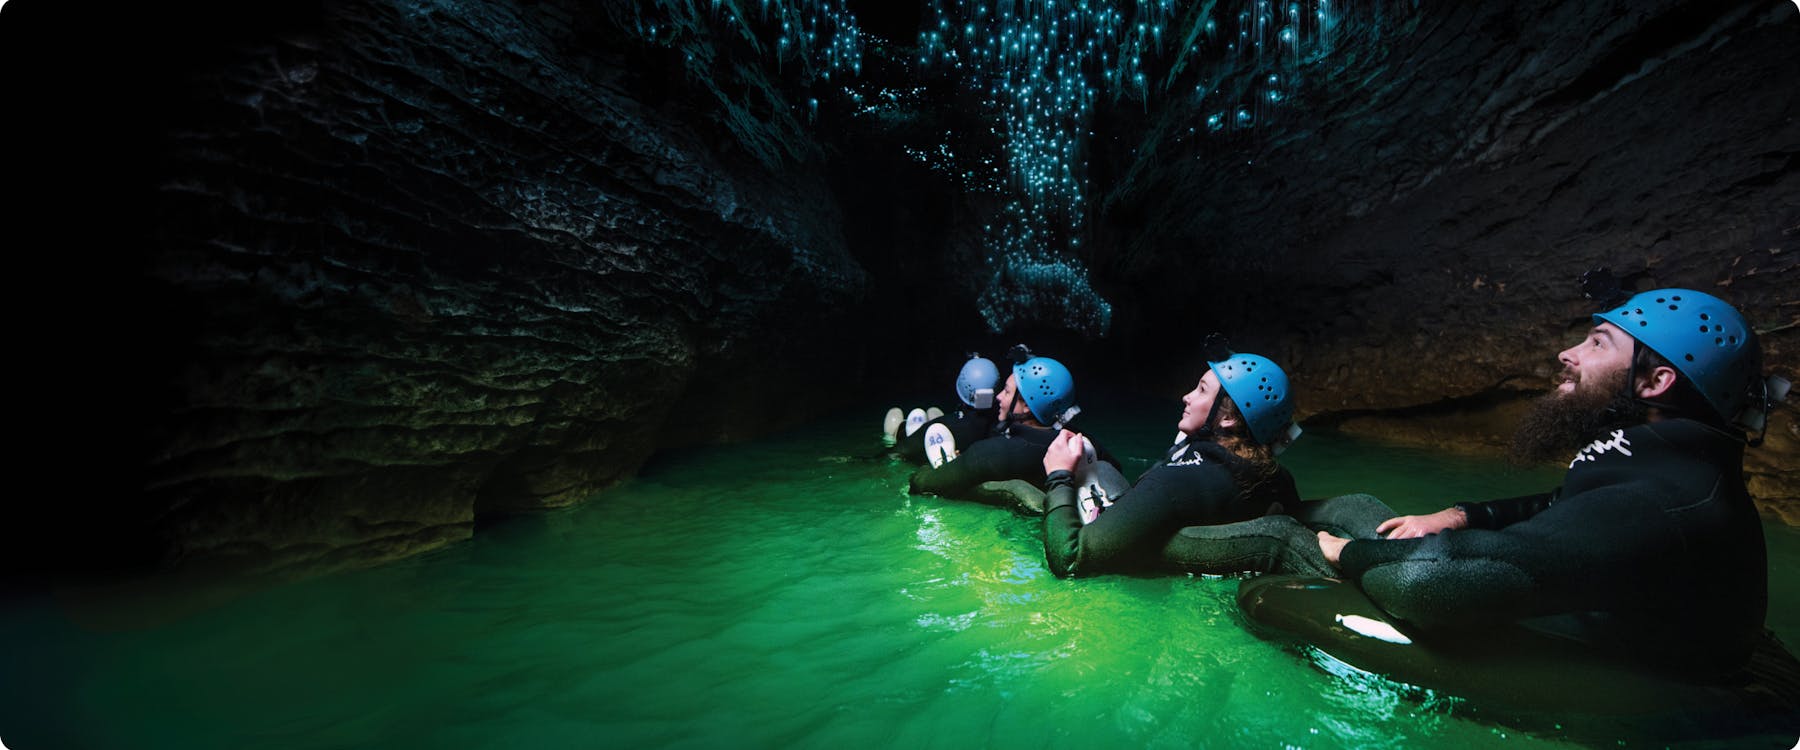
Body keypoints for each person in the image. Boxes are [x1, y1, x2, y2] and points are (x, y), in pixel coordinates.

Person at [1312, 286, 1786, 679]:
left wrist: (1345, 553)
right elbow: (1563, 505)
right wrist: (1459, 516)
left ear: (1655, 382)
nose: (1568, 353)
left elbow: (1435, 582)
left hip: (1657, 681)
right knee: (1355, 507)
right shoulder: (1666, 462)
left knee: (1299, 560)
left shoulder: (1662, 500)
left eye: (1598, 343)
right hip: (1618, 619)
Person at [1038, 347, 1304, 577]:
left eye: (1201, 390)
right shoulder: (1278, 479)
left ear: (1228, 418)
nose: (1186, 397)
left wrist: (1059, 475)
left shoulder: (1173, 483)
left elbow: (1069, 558)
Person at [908, 345, 1119, 510]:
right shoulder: (1084, 443)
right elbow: (1115, 470)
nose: (998, 397)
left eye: (1007, 392)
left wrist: (925, 471)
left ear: (1027, 405)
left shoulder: (996, 453)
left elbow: (922, 484)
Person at [887, 354, 1002, 466]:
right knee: (933, 413)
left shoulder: (949, 424)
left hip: (927, 440)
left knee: (899, 419)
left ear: (962, 388)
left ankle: (892, 435)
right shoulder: (1001, 423)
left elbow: (898, 451)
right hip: (968, 443)